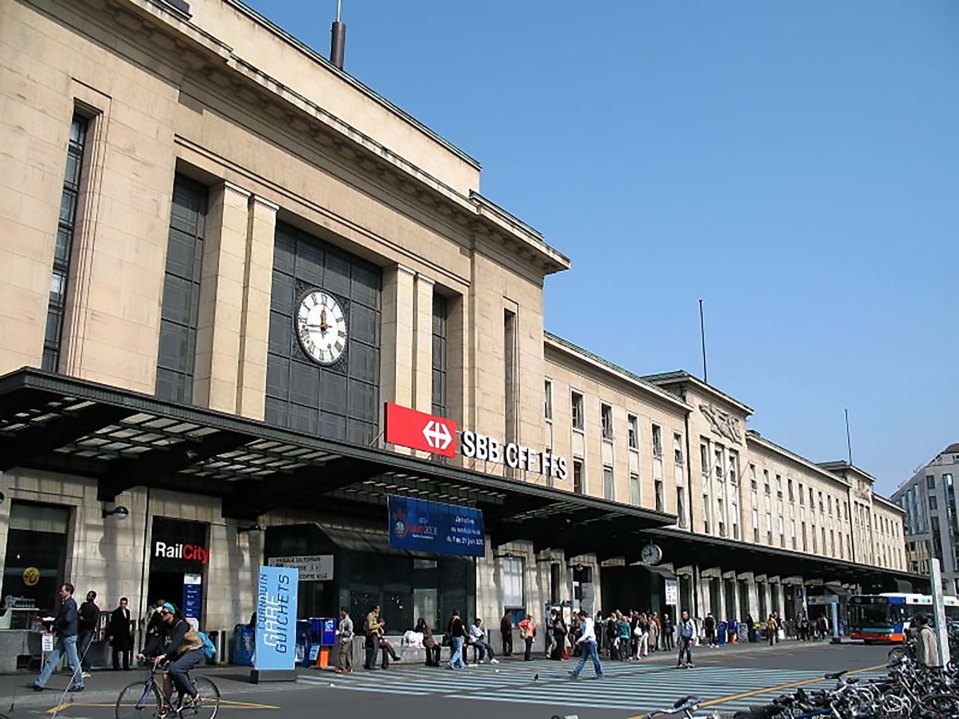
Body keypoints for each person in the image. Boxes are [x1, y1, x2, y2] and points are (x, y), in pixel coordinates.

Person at [138, 602, 203, 710]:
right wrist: (144, 653)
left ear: (171, 614)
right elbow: (157, 640)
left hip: (194, 650)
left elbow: (176, 641)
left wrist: (164, 655)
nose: (162, 615)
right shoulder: (165, 626)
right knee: (166, 674)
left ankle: (195, 695)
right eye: (161, 613)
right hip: (180, 652)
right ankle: (166, 705)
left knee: (176, 669)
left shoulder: (182, 625)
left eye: (164, 613)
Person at [32, 583, 84, 692]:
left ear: (68, 592)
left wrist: (56, 625)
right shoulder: (66, 603)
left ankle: (79, 683)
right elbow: (61, 617)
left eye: (62, 591)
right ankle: (40, 683)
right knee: (52, 660)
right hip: (64, 635)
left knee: (73, 662)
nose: (60, 593)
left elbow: (67, 619)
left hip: (69, 636)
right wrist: (54, 623)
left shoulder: (71, 604)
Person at [568, 609, 604, 679]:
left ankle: (599, 673)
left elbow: (587, 633)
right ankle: (575, 673)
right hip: (585, 642)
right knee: (582, 659)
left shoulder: (588, 622)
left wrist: (579, 640)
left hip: (591, 642)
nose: (579, 619)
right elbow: (582, 630)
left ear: (583, 616)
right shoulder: (582, 622)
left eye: (579, 617)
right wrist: (578, 631)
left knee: (595, 658)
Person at [78, 590, 101, 676]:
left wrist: (83, 620)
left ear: (94, 598)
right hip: (82, 629)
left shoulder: (95, 609)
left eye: (91, 596)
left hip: (88, 630)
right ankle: (80, 667)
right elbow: (78, 613)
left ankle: (86, 668)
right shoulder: (84, 605)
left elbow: (93, 621)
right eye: (88, 595)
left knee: (84, 648)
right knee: (80, 648)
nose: (88, 597)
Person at [108, 597, 134, 671]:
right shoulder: (115, 612)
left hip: (125, 634)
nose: (123, 605)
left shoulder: (127, 612)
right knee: (116, 650)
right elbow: (112, 624)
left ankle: (126, 665)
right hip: (117, 633)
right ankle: (116, 666)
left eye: (124, 604)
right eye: (122, 604)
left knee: (126, 650)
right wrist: (111, 634)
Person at [335, 607, 353, 673]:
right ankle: (349, 667)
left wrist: (341, 633)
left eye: (342, 611)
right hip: (343, 639)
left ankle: (342, 667)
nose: (341, 613)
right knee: (347, 653)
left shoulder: (349, 621)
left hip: (347, 640)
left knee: (342, 653)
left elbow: (349, 632)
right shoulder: (342, 620)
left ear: (345, 612)